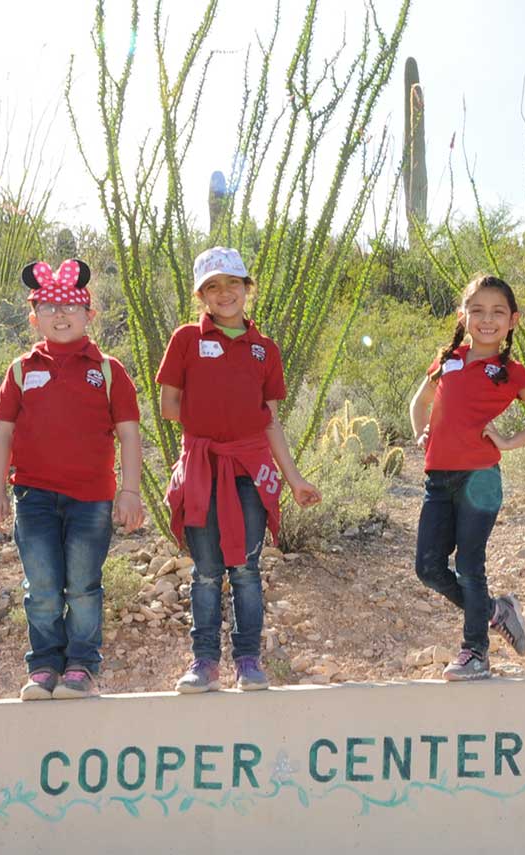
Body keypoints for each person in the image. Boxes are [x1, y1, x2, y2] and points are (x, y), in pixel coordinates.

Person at [157, 247, 320, 694]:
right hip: (203, 466)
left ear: (247, 289)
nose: (224, 293)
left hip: (250, 469)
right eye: (213, 286)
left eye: (232, 283)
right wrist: (212, 426)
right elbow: (169, 406)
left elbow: (268, 418)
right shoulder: (186, 340)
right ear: (202, 296)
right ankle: (204, 662)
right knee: (206, 571)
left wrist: (295, 478)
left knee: (246, 568)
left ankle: (248, 659)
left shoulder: (264, 349)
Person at [0, 259, 147, 701]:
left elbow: (129, 434)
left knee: (82, 585)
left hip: (91, 500)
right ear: (34, 317)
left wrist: (129, 492)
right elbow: (3, 432)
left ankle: (81, 665)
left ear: (89, 316)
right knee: (41, 585)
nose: (61, 315)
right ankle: (44, 666)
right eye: (50, 307)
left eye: (71, 308)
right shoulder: (21, 369)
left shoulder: (109, 370)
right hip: (33, 496)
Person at [407, 275, 525, 681]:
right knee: (428, 568)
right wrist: (422, 430)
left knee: (470, 565)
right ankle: (494, 610)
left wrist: (507, 442)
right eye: (477, 310)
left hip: (481, 479)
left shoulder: (511, 371)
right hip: (438, 479)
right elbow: (419, 402)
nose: (486, 319)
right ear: (463, 315)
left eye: (497, 312)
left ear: (513, 321)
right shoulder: (448, 359)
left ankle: (475, 652)